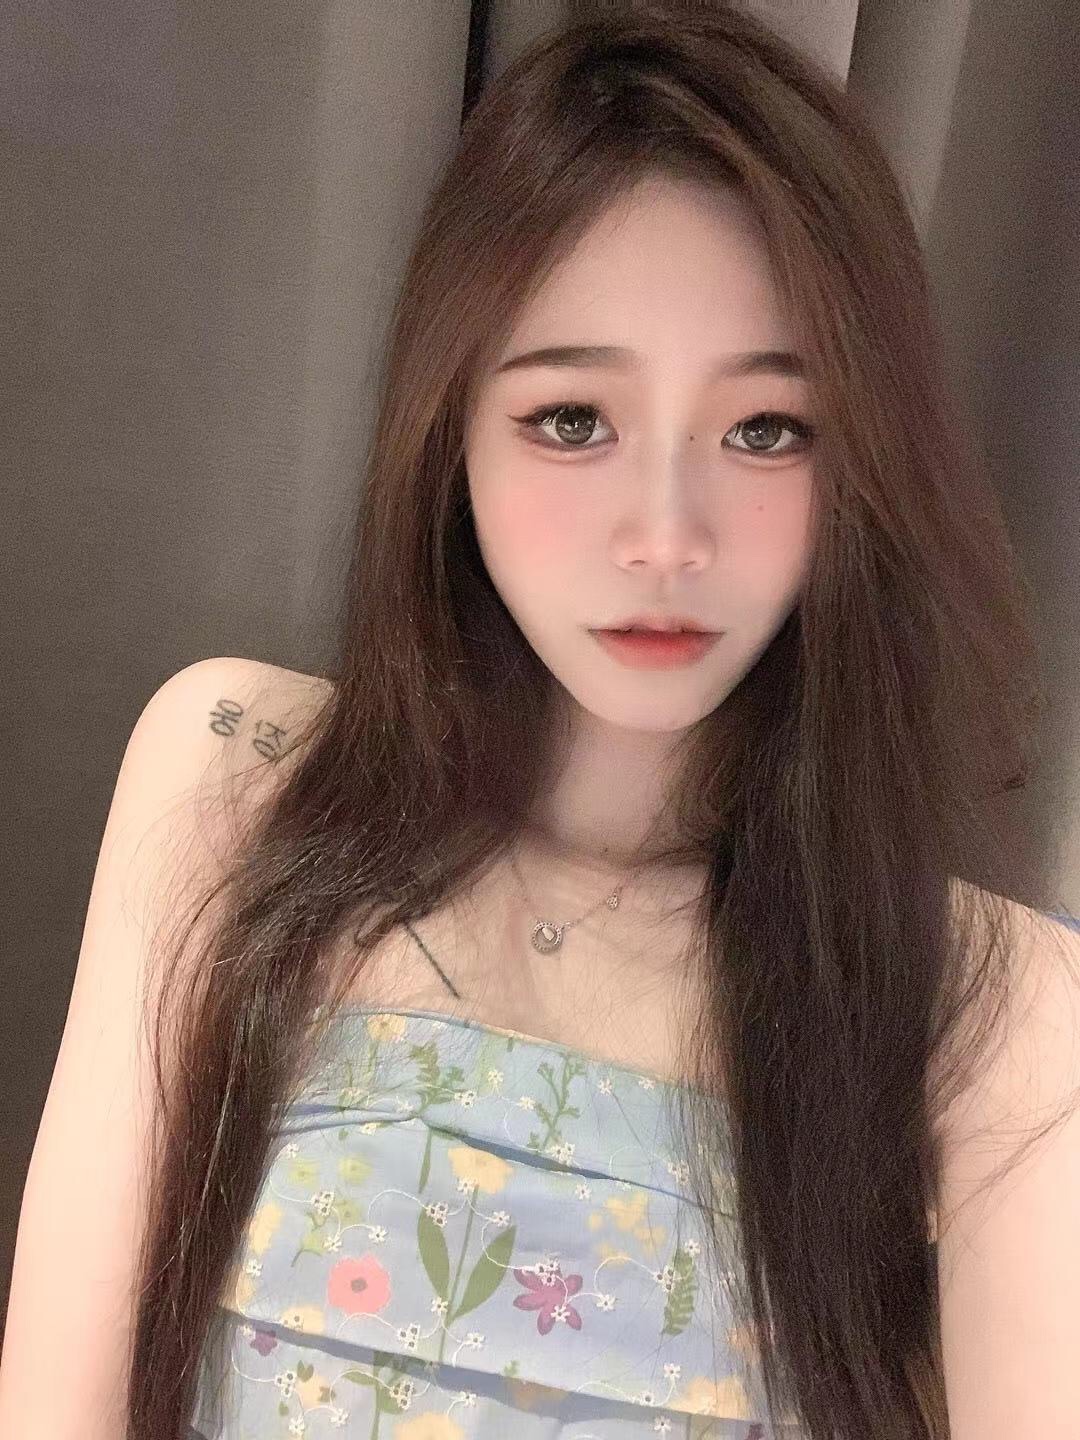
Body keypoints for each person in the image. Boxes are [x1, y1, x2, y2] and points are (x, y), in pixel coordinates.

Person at [3, 5, 1079, 1439]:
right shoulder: (231, 775)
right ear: (449, 428)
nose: (665, 537)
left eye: (766, 429)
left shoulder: (993, 1007)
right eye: (574, 419)